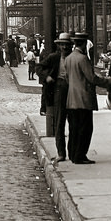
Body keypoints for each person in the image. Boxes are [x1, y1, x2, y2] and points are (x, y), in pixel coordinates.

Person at [62, 33, 98, 164]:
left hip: (71, 100)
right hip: (83, 99)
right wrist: (109, 82)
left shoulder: (68, 58)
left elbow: (67, 78)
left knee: (74, 129)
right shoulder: (83, 59)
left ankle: (72, 153)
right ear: (83, 44)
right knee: (85, 129)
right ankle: (80, 155)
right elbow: (92, 78)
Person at [42, 33, 73, 162]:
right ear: (59, 45)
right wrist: (47, 76)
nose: (64, 47)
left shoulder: (74, 57)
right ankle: (61, 153)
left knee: (74, 122)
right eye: (62, 44)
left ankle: (73, 152)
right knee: (59, 122)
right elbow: (40, 67)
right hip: (59, 88)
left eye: (67, 45)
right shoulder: (54, 57)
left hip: (72, 89)